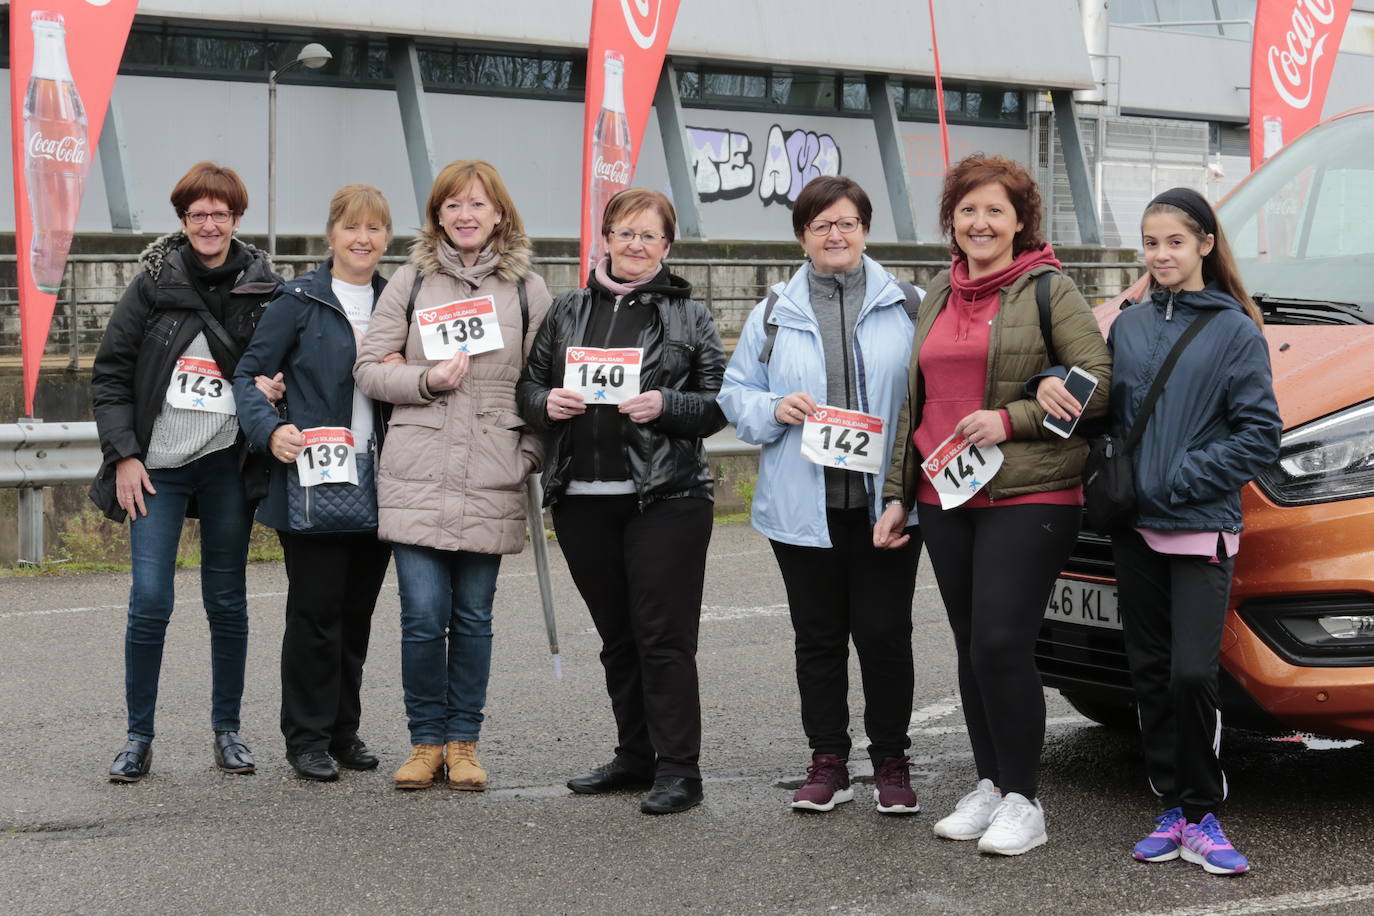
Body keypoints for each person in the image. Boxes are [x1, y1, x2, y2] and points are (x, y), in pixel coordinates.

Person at [874, 154, 1111, 854]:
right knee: (972, 644)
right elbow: (912, 404)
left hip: (1029, 490)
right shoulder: (938, 296)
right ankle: (988, 783)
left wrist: (1011, 418)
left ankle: (1023, 800)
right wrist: (897, 496)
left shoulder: (1048, 290)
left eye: (995, 211)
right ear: (952, 220)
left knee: (1005, 643)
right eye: (968, 210)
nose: (980, 223)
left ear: (1019, 222)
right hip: (945, 493)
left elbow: (1097, 379)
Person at [718, 176, 924, 816]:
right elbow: (735, 394)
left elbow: (933, 394)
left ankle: (892, 760)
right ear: (802, 236)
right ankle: (827, 760)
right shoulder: (773, 311)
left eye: (847, 223)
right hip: (801, 508)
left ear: (865, 228)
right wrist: (775, 406)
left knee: (886, 635)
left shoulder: (910, 304)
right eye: (820, 225)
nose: (835, 235)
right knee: (819, 638)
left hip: (885, 507)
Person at [517, 188, 726, 816]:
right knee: (617, 636)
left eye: (649, 236)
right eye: (624, 233)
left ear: (667, 247)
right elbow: (530, 383)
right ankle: (635, 757)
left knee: (663, 636)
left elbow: (720, 404)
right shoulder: (565, 309)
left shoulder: (691, 318)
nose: (635, 245)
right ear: (603, 238)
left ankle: (679, 769)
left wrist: (668, 405)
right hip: (581, 499)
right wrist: (544, 404)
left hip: (667, 497)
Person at [1098, 188, 1280, 876]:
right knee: (1148, 673)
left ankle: (1204, 814)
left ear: (1205, 243)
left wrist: (1180, 478)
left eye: (1174, 241)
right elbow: (1109, 416)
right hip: (1135, 528)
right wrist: (1058, 383)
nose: (1161, 254)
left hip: (1199, 523)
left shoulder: (1236, 329)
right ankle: (1171, 805)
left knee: (1192, 672)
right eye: (1150, 242)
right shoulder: (1130, 326)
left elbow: (1261, 434)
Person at [353, 160, 551, 792]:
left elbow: (545, 387)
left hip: (493, 470)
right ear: (438, 216)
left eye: (478, 205)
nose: (466, 215)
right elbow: (367, 368)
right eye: (453, 205)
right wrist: (422, 379)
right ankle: (424, 743)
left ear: (500, 215)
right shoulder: (410, 282)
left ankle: (464, 744)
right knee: (421, 615)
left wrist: (529, 456)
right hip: (417, 469)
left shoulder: (529, 291)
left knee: (472, 618)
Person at [90, 161, 282, 782]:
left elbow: (283, 363)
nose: (208, 223)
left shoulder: (263, 287)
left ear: (235, 219)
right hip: (157, 469)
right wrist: (124, 454)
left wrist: (275, 388)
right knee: (150, 600)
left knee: (225, 600)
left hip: (226, 463)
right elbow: (112, 374)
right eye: (197, 213)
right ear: (182, 220)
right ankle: (137, 737)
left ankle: (228, 730)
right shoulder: (150, 284)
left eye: (219, 213)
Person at [233, 184, 396, 782]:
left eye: (375, 229)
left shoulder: (395, 300)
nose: (364, 239)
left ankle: (342, 731)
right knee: (315, 613)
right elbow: (249, 377)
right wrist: (269, 432)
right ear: (332, 234)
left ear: (387, 238)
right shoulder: (297, 299)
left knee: (357, 613)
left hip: (380, 479)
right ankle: (305, 738)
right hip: (311, 478)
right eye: (353, 227)